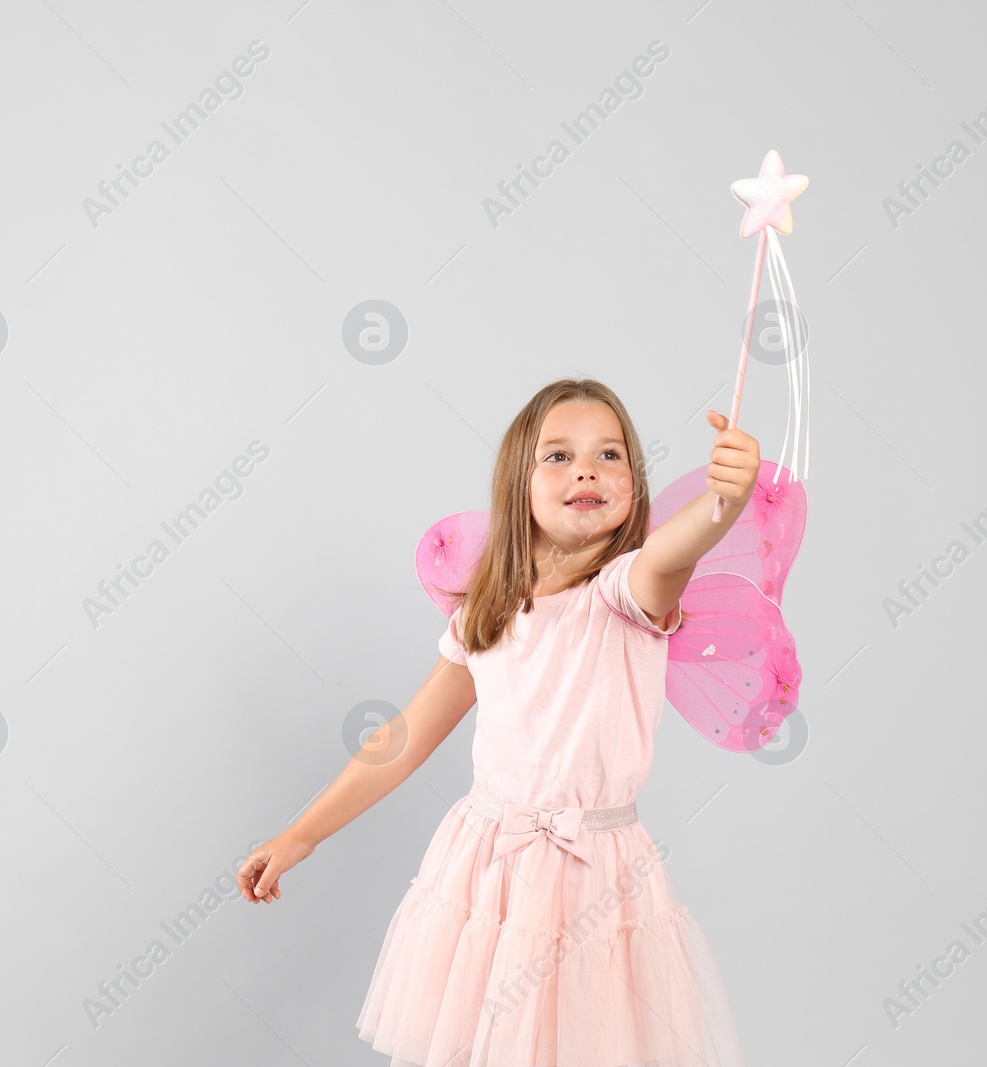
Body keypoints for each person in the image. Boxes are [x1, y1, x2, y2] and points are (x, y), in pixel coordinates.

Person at [236, 377, 755, 1066]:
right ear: (519, 481)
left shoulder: (629, 592)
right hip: (487, 866)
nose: (587, 471)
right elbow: (403, 737)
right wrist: (303, 833)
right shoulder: (490, 610)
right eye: (559, 457)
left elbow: (674, 552)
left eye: (610, 456)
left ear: (634, 483)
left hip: (591, 875)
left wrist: (723, 501)